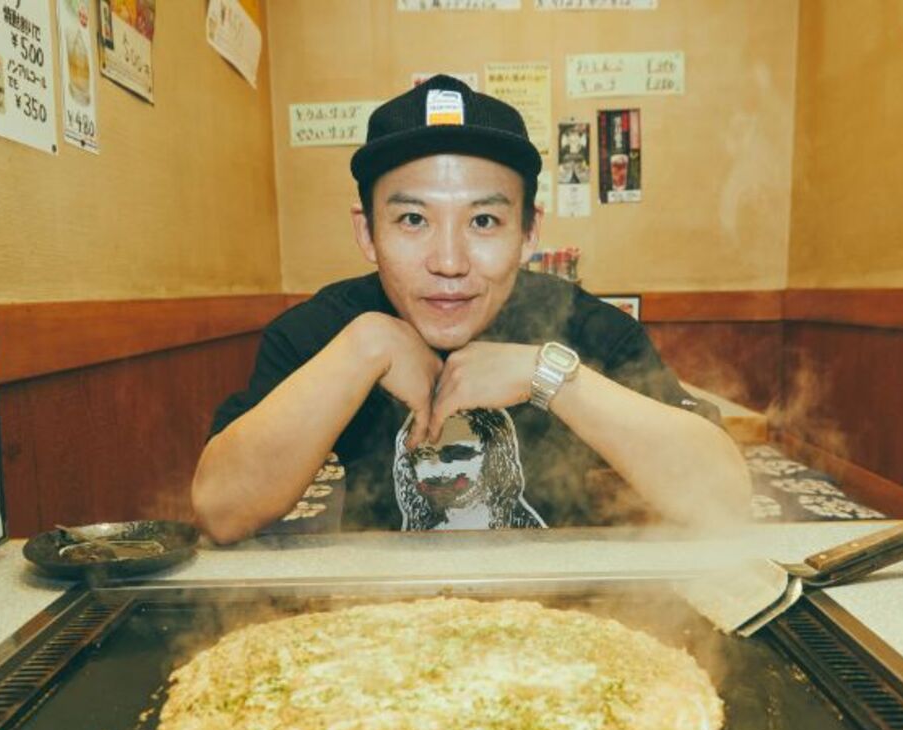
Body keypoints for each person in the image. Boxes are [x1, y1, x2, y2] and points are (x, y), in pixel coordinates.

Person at [193, 75, 750, 543]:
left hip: (558, 617)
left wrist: (549, 376)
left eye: (483, 221)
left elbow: (723, 499)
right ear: (368, 234)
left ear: (528, 232)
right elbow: (222, 510)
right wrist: (364, 349)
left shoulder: (586, 326)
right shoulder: (327, 329)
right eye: (413, 220)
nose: (449, 262)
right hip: (382, 619)